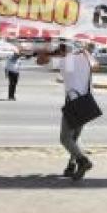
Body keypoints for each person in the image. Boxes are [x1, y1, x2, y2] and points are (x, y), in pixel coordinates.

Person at [36, 41, 97, 180]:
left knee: (65, 138)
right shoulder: (86, 57)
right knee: (74, 138)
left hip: (74, 103)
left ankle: (83, 161)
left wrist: (47, 51)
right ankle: (71, 166)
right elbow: (96, 66)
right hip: (87, 101)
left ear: (63, 51)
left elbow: (40, 61)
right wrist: (84, 52)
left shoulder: (64, 62)